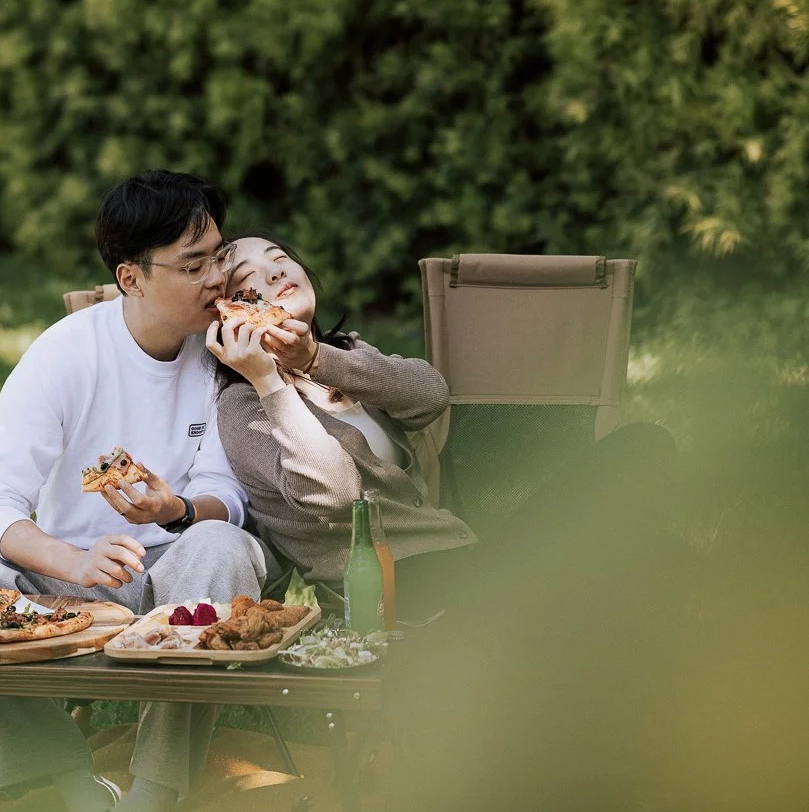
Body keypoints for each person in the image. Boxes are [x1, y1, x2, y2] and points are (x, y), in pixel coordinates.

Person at [0, 171, 265, 812]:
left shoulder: (223, 352)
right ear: (130, 277)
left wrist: (177, 509)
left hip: (179, 578)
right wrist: (74, 562)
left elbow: (229, 494)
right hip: (68, 586)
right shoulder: (65, 356)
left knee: (222, 546)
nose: (215, 279)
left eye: (218, 257)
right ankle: (68, 785)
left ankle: (155, 791)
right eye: (193, 264)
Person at [209, 237, 675, 618]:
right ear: (230, 314)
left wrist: (316, 358)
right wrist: (269, 379)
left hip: (463, 562)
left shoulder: (344, 353)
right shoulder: (245, 405)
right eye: (249, 279)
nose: (274, 273)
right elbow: (332, 495)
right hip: (396, 596)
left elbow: (429, 396)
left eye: (281, 259)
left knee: (640, 450)